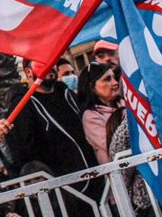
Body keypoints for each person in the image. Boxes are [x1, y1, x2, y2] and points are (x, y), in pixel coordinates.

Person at [6, 59, 100, 197]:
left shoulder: (67, 94)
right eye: (41, 63)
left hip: (96, 179)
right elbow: (26, 153)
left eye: (52, 62)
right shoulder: (23, 107)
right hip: (64, 191)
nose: (49, 67)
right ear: (28, 72)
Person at [78, 62, 124, 164]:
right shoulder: (91, 116)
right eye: (107, 79)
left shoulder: (126, 103)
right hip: (119, 174)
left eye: (113, 77)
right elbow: (112, 146)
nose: (115, 82)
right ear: (92, 87)